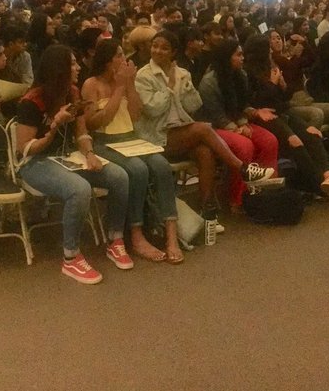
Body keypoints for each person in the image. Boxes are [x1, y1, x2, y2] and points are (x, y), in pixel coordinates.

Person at [14, 44, 136, 284]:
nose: (78, 67)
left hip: (67, 157)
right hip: (35, 162)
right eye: (72, 63)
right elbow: (25, 148)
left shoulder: (72, 92)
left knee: (119, 176)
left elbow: (81, 133)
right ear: (59, 69)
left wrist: (90, 154)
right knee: (79, 189)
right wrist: (54, 125)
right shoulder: (31, 101)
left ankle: (115, 239)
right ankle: (70, 257)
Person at [134, 31, 275, 217]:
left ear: (174, 52)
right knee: (203, 128)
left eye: (164, 48)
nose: (158, 51)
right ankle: (243, 169)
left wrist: (185, 86)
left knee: (205, 152)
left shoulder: (182, 73)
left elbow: (194, 105)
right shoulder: (143, 76)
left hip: (181, 131)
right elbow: (153, 109)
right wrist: (169, 87)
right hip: (157, 135)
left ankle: (208, 209)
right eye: (155, 46)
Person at [82, 38, 182, 264]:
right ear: (108, 62)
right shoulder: (91, 84)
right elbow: (94, 123)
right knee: (137, 170)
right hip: (104, 141)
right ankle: (136, 234)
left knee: (161, 165)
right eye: (119, 56)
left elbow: (136, 115)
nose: (125, 60)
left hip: (130, 138)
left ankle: (171, 234)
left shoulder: (128, 82)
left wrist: (129, 85)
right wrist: (118, 88)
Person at [243, 35, 329, 202]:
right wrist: (273, 84)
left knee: (312, 133)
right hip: (264, 116)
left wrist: (283, 85)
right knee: (295, 141)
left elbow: (285, 98)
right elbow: (256, 102)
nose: (270, 51)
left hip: (282, 111)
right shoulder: (248, 74)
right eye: (267, 48)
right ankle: (321, 186)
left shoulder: (270, 67)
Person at [196, 39, 281, 209]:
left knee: (270, 140)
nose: (242, 58)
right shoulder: (209, 82)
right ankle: (238, 198)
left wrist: (243, 123)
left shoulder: (240, 75)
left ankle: (266, 191)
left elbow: (242, 105)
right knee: (244, 146)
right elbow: (216, 116)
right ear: (226, 57)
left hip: (237, 122)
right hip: (214, 128)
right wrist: (236, 129)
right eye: (238, 55)